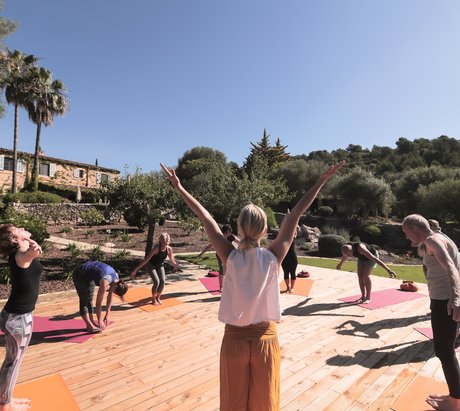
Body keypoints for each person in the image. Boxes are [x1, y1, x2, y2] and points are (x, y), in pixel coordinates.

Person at [161, 160, 344, 411]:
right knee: (265, 404)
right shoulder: (273, 256)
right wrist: (321, 180)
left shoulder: (230, 256)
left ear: (239, 227)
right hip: (264, 342)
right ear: (265, 229)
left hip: (234, 341)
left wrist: (180, 187)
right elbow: (295, 214)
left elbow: (205, 217)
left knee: (233, 404)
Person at [402, 214, 460, 410]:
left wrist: (455, 297)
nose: (406, 236)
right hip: (445, 299)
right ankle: (455, 396)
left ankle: (455, 402)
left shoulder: (431, 240)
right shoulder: (440, 237)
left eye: (406, 232)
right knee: (446, 349)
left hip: (445, 301)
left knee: (444, 350)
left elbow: (451, 267)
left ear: (416, 229)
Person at [0, 224, 43, 411]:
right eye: (17, 229)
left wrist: (28, 240)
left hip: (18, 316)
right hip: (18, 319)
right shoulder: (20, 256)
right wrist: (32, 249)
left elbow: (32, 253)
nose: (23, 226)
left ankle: (6, 398)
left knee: (12, 361)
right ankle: (6, 404)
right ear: (14, 240)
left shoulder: (21, 251)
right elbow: (29, 256)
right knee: (13, 362)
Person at [72, 261, 128, 332]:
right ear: (115, 287)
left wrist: (107, 315)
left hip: (89, 275)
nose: (112, 292)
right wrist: (100, 320)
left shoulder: (116, 279)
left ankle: (92, 322)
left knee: (90, 299)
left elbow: (109, 297)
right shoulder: (105, 282)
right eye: (114, 292)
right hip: (80, 274)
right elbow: (98, 303)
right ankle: (89, 326)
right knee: (84, 300)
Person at [130, 233, 178, 305]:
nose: (166, 244)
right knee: (156, 281)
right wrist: (135, 270)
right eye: (165, 243)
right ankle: (153, 300)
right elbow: (146, 260)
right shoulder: (156, 248)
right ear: (161, 241)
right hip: (151, 265)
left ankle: (158, 298)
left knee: (162, 281)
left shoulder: (168, 249)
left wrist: (174, 264)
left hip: (160, 265)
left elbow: (171, 258)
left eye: (167, 243)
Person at [197, 225, 240, 291]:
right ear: (226, 232)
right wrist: (201, 254)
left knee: (232, 270)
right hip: (220, 254)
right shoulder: (219, 238)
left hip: (229, 255)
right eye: (229, 232)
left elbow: (240, 242)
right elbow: (209, 246)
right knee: (222, 269)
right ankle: (221, 287)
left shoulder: (231, 236)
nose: (230, 233)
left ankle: (232, 285)